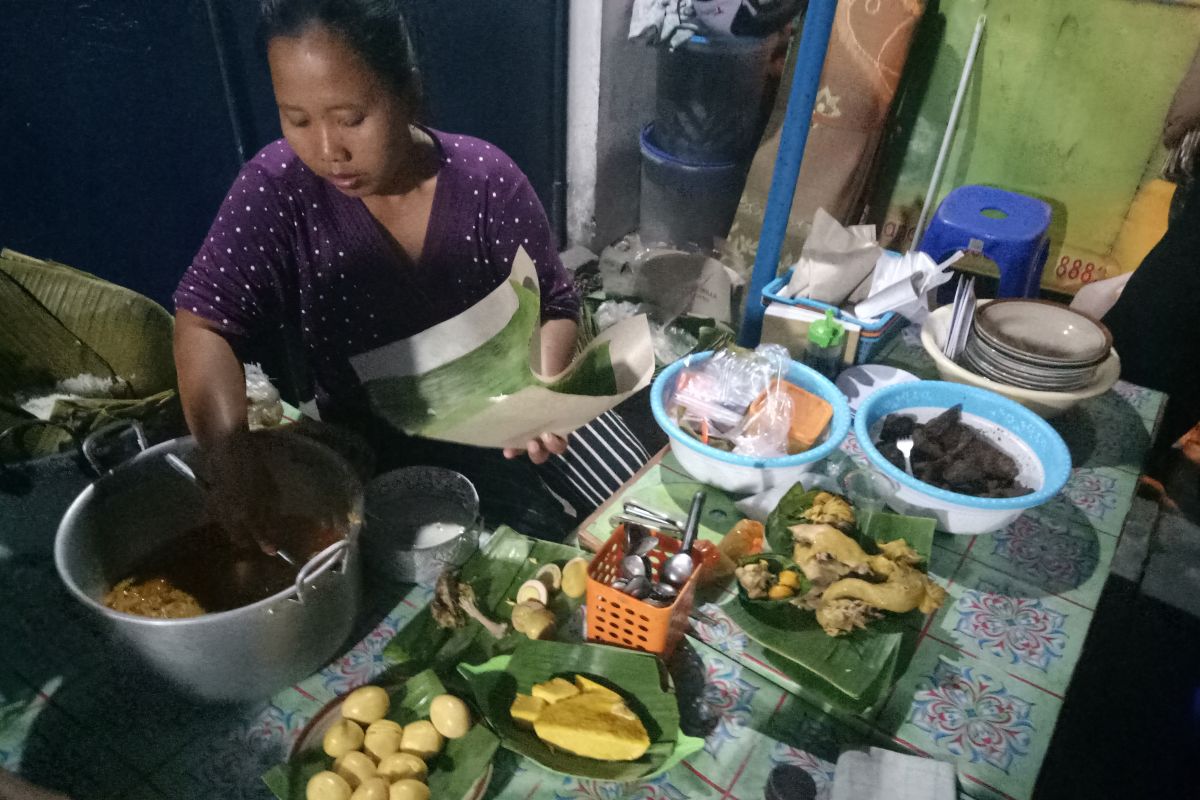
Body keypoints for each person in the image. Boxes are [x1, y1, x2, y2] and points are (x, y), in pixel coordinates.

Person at [174, 0, 648, 542]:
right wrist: (230, 460)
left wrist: (540, 395)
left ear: (408, 93)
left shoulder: (486, 181)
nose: (329, 150)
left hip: (512, 417)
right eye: (297, 119)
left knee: (632, 521)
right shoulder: (276, 192)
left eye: (351, 118)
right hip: (378, 447)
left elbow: (557, 304)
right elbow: (203, 323)